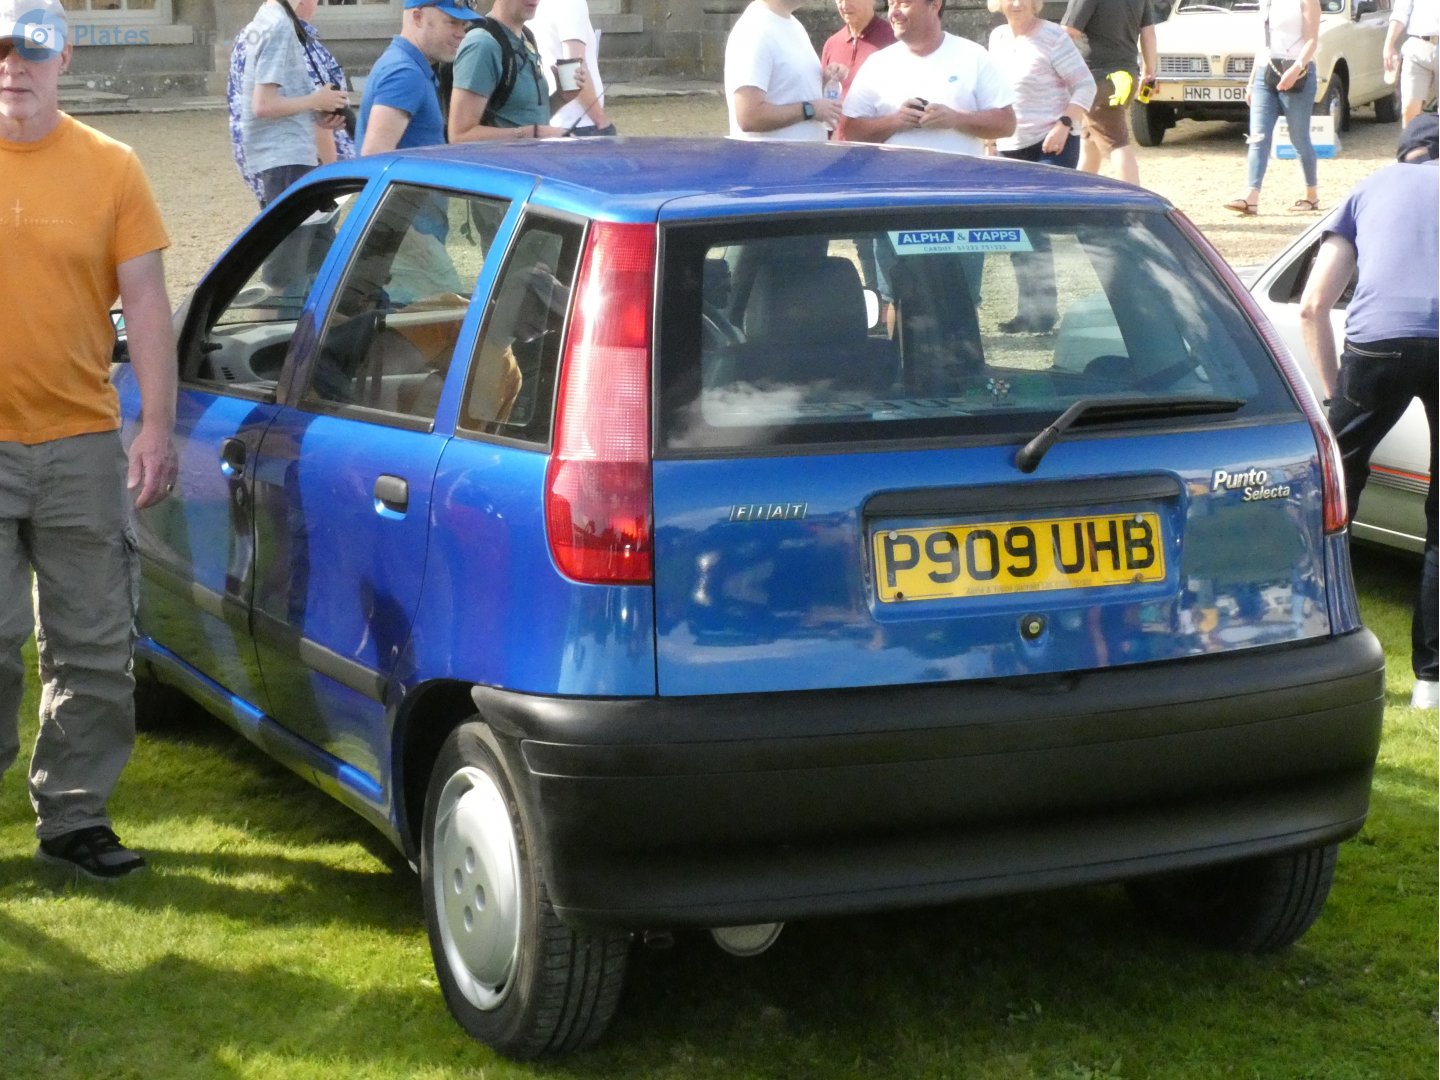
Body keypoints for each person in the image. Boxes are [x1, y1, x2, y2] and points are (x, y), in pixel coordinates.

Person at [0, 0, 179, 879]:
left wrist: (156, 423)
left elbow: (144, 299)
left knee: (95, 645)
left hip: (81, 440)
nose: (11, 67)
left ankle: (74, 816)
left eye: (29, 51)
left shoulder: (111, 168)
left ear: (63, 57)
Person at [1298, 114, 1439, 710]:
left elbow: (1311, 306)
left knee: (1332, 494)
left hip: (1377, 343)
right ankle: (1431, 683)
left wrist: (1337, 399)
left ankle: (1311, 648)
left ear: (1404, 152)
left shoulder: (1368, 188)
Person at [987, 0, 1095, 332]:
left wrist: (1064, 124)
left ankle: (1048, 312)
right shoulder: (998, 38)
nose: (1016, 3)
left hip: (1052, 142)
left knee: (1036, 226)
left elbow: (1085, 85)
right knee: (1017, 234)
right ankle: (1030, 313)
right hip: (1010, 144)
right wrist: (990, 142)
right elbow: (993, 94)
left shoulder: (1053, 36)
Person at [842, 0, 1016, 157]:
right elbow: (850, 131)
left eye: (904, 3)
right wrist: (895, 121)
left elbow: (1007, 124)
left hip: (957, 185)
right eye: (891, 4)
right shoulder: (877, 63)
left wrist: (956, 119)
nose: (893, 12)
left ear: (935, 5)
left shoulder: (973, 56)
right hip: (897, 186)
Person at [227, 7, 355, 205]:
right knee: (306, 233)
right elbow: (266, 105)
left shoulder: (252, 33)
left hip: (271, 162)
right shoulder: (285, 35)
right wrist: (332, 180)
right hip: (295, 163)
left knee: (309, 234)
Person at [1223, 0, 1321, 216]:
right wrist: (1251, 81)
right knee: (1258, 136)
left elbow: (1312, 40)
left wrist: (1296, 67)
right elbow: (1263, 43)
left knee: (1299, 138)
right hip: (1265, 71)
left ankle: (1311, 195)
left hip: (1298, 71)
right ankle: (1251, 197)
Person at [449, 0, 580, 141]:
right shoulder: (482, 45)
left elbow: (522, 116)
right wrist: (532, 133)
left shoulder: (526, 37)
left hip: (529, 160)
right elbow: (459, 136)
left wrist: (560, 97)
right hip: (499, 162)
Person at [355, 0, 474, 155]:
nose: (461, 34)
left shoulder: (405, 64)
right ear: (418, 18)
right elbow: (374, 156)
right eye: (452, 22)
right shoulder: (406, 73)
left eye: (463, 25)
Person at [1060, 0, 1157, 184]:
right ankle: (1081, 196)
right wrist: (1149, 71)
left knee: (1117, 144)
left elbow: (1068, 32)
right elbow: (1148, 33)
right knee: (1090, 142)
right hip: (1127, 76)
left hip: (1098, 78)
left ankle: (1133, 202)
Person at [725, 0, 844, 141]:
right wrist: (810, 110)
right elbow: (749, 116)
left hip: (801, 160)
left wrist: (825, 79)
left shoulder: (793, 24)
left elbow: (790, 90)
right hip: (770, 161)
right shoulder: (753, 30)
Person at [530, 0, 615, 136]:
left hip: (551, 119)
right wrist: (600, 120)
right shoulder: (572, 3)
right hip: (582, 124)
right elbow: (573, 68)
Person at [820, 0, 896, 138]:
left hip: (876, 146)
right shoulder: (832, 44)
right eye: (839, 0)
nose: (844, 5)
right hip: (834, 146)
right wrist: (825, 81)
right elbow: (820, 96)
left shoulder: (894, 40)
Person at [1384, 0, 1439, 126]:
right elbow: (1400, 12)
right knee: (1409, 112)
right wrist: (1389, 45)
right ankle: (1411, 143)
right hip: (1417, 46)